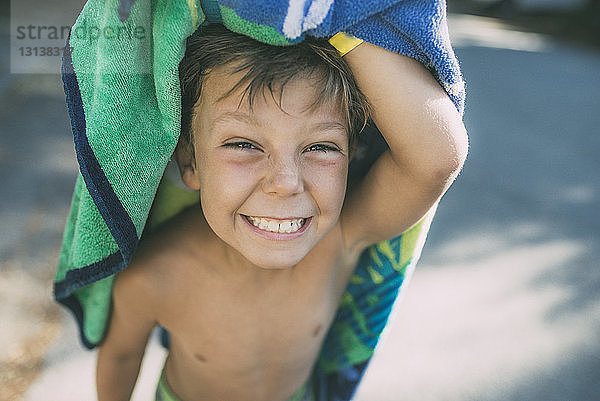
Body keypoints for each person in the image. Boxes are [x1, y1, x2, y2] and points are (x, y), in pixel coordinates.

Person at [96, 23, 468, 401]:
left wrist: (333, 19)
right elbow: (120, 358)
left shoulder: (342, 237)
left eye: (321, 147)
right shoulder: (155, 275)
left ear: (352, 153)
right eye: (243, 144)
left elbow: (436, 159)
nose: (286, 182)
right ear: (190, 161)